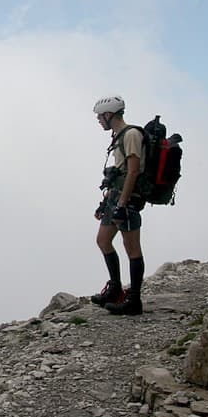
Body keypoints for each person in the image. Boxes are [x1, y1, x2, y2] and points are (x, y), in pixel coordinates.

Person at [90, 95, 146, 316]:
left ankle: (134, 300)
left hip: (127, 199)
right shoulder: (119, 136)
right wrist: (106, 203)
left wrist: (122, 203)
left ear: (108, 114)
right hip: (115, 197)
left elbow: (133, 170)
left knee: (131, 248)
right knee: (103, 241)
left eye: (99, 117)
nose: (98, 121)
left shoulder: (131, 135)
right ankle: (115, 289)